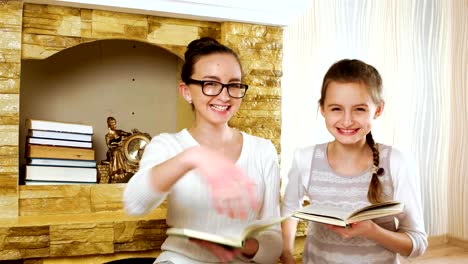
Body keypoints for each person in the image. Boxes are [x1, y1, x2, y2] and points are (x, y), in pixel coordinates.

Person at [123, 37, 282, 263]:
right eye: (211, 84)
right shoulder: (167, 145)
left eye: (234, 84)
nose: (224, 95)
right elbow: (134, 203)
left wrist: (241, 245)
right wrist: (192, 157)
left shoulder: (263, 150)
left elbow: (273, 243)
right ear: (187, 91)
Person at [280, 59, 427, 263]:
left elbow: (417, 243)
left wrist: (372, 231)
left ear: (378, 109)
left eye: (359, 109)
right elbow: (289, 211)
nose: (347, 121)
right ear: (322, 108)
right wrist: (286, 253)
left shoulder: (397, 163)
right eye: (336, 109)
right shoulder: (305, 159)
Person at [105, 116, 134, 181]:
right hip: (112, 151)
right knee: (117, 152)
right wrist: (117, 144)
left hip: (121, 149)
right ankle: (117, 174)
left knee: (125, 151)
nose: (114, 125)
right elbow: (109, 146)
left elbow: (128, 134)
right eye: (112, 124)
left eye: (115, 123)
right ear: (109, 125)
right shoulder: (107, 136)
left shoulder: (119, 132)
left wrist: (132, 133)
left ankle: (126, 171)